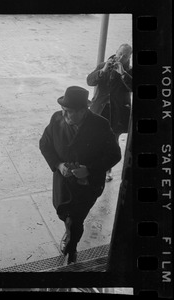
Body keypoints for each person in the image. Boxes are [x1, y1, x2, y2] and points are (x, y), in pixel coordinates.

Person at [39, 86, 121, 265]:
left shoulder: (100, 125)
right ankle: (70, 233)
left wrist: (89, 169)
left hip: (87, 184)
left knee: (76, 219)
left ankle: (72, 248)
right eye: (63, 110)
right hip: (63, 182)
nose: (64, 115)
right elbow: (44, 144)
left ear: (83, 111)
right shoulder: (56, 118)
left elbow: (115, 155)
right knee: (65, 214)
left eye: (69, 112)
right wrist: (59, 165)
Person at [86, 44, 132, 181]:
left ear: (129, 57)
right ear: (116, 52)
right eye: (120, 54)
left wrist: (123, 73)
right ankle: (91, 166)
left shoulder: (129, 70)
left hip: (117, 111)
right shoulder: (103, 65)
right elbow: (89, 81)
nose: (121, 57)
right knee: (94, 137)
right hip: (100, 108)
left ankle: (108, 169)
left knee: (113, 140)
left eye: (125, 55)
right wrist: (102, 71)